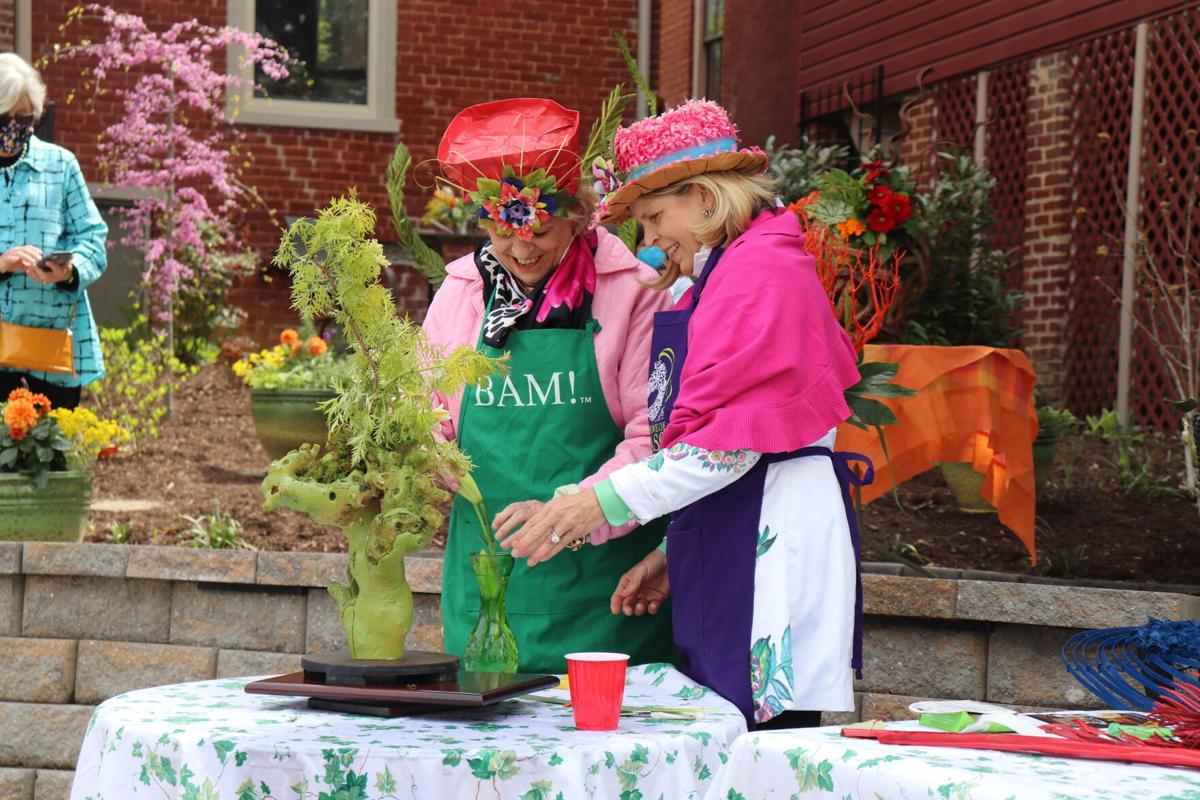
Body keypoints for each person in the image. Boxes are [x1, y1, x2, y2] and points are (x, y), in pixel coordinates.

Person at [497, 99, 871, 729]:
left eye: (653, 217)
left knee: (763, 748)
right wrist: (673, 552)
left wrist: (597, 503)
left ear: (702, 196)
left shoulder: (761, 273)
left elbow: (730, 443)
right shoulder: (728, 271)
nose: (649, 242)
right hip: (735, 524)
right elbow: (724, 435)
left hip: (768, 536)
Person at [423, 98, 675, 674]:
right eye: (504, 233)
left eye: (541, 229)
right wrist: (430, 459)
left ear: (579, 215)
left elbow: (654, 437)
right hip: (487, 587)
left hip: (604, 591)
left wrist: (573, 512)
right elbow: (426, 411)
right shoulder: (462, 291)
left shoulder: (634, 289)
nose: (523, 248)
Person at [0, 53, 107, 410]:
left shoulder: (60, 165)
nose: (13, 126)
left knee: (50, 461)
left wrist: (69, 269)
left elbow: (93, 238)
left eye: (23, 118)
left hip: (51, 347)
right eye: (4, 117)